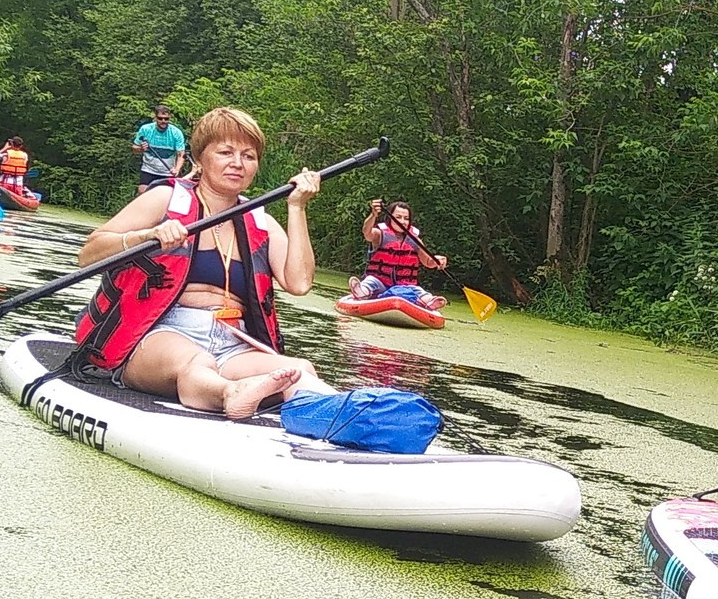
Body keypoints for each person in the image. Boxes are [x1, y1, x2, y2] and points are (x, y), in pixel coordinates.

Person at [72, 105, 327, 419]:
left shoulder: (261, 221)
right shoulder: (166, 199)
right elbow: (89, 253)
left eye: (248, 156)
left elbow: (299, 283)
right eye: (225, 153)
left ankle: (356, 418)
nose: (238, 164)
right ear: (200, 159)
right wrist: (147, 235)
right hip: (159, 333)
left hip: (233, 340)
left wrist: (297, 208)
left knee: (300, 370)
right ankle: (231, 393)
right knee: (197, 365)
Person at [351, 198, 446, 299]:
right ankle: (362, 291)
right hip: (380, 284)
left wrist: (437, 260)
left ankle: (428, 300)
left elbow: (428, 262)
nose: (402, 221)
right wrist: (373, 215)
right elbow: (367, 232)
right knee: (371, 281)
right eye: (398, 217)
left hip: (404, 286)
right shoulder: (379, 234)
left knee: (417, 290)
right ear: (390, 218)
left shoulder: (415, 240)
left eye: (406, 218)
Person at [132, 103, 187, 191]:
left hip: (168, 171)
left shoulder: (176, 133)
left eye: (166, 119)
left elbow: (181, 154)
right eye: (160, 118)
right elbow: (134, 148)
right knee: (142, 192)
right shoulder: (145, 129)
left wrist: (177, 169)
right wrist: (141, 149)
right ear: (155, 118)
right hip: (149, 169)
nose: (163, 121)